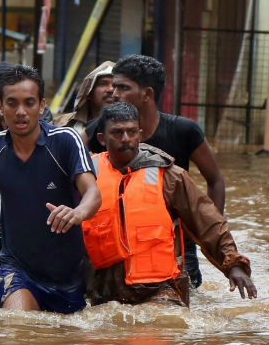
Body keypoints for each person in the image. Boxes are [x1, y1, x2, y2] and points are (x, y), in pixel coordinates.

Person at [0, 64, 100, 314]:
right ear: (0, 107)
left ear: (42, 106)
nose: (21, 112)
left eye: (29, 103)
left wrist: (77, 213)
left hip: (68, 276)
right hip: (18, 270)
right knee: (17, 331)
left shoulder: (66, 141)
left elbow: (93, 193)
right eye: (12, 103)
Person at [82, 102, 255, 306]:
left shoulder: (169, 176)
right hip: (103, 291)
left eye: (131, 132)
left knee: (162, 325)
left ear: (140, 133)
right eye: (117, 133)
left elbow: (208, 221)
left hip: (160, 289)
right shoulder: (86, 175)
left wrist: (233, 264)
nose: (126, 139)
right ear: (102, 138)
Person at [110, 54, 226, 288]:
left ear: (147, 94)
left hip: (178, 243)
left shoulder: (183, 131)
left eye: (123, 88)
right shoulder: (103, 132)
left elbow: (215, 180)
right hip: (124, 243)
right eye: (114, 87)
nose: (114, 94)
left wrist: (208, 232)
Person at [57, 59, 114, 142]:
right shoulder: (63, 124)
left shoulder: (134, 127)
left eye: (116, 84)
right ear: (89, 93)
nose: (111, 89)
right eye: (103, 83)